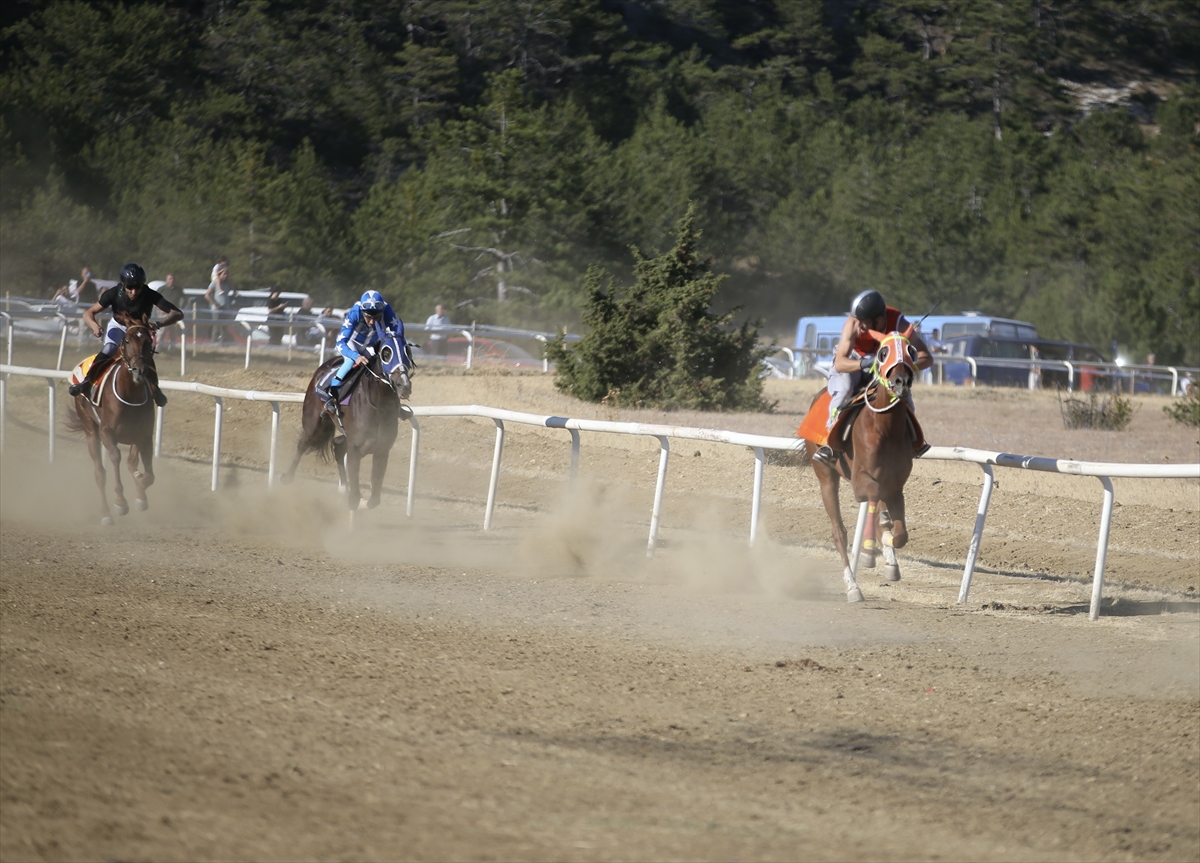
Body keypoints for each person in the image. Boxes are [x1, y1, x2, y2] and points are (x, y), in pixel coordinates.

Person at [812, 289, 933, 467]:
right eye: (858, 321)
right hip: (852, 360)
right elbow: (840, 363)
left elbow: (926, 357)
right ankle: (830, 445)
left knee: (904, 395)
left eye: (865, 322)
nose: (859, 326)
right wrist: (863, 364)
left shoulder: (899, 323)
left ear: (880, 318)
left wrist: (904, 366)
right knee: (844, 389)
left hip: (885, 364)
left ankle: (913, 442)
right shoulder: (853, 324)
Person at [67, 263, 182, 407]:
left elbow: (177, 313)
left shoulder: (149, 293)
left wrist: (159, 324)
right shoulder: (113, 293)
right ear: (123, 284)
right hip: (119, 327)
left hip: (139, 329)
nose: (134, 292)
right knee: (110, 349)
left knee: (144, 354)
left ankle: (155, 389)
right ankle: (87, 383)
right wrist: (94, 326)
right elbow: (88, 313)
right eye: (130, 287)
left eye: (138, 287)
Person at [321, 291, 410, 412]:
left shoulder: (387, 310)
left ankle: (396, 403)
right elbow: (341, 342)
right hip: (352, 342)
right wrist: (355, 356)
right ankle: (332, 396)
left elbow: (395, 338)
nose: (372, 322)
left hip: (371, 344)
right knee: (350, 362)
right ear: (362, 312)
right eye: (368, 317)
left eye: (376, 317)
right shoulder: (355, 312)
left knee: (384, 367)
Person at [203, 259, 234, 342]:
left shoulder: (227, 284)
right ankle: (213, 344)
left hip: (225, 310)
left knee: (224, 328)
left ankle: (223, 344)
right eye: (224, 274)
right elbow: (207, 295)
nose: (226, 276)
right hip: (217, 310)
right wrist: (216, 304)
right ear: (220, 274)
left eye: (227, 274)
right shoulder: (215, 283)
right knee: (216, 328)